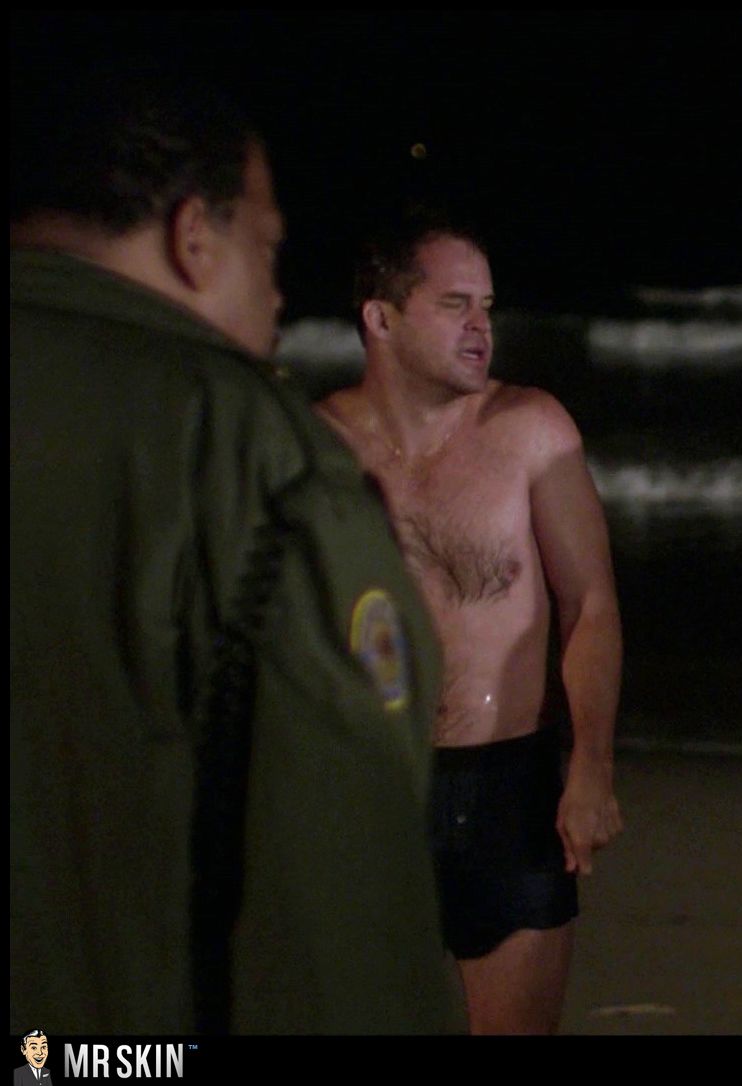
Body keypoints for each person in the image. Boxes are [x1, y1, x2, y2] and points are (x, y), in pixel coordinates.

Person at [10, 71, 457, 1032]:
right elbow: (344, 893)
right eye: (267, 248)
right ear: (194, 236)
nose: (280, 293)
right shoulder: (247, 450)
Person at [318, 212, 623, 1034]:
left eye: (486, 306)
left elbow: (590, 604)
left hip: (509, 788)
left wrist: (591, 764)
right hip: (370, 786)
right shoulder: (316, 448)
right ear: (381, 318)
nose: (481, 327)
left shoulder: (530, 430)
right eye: (455, 305)